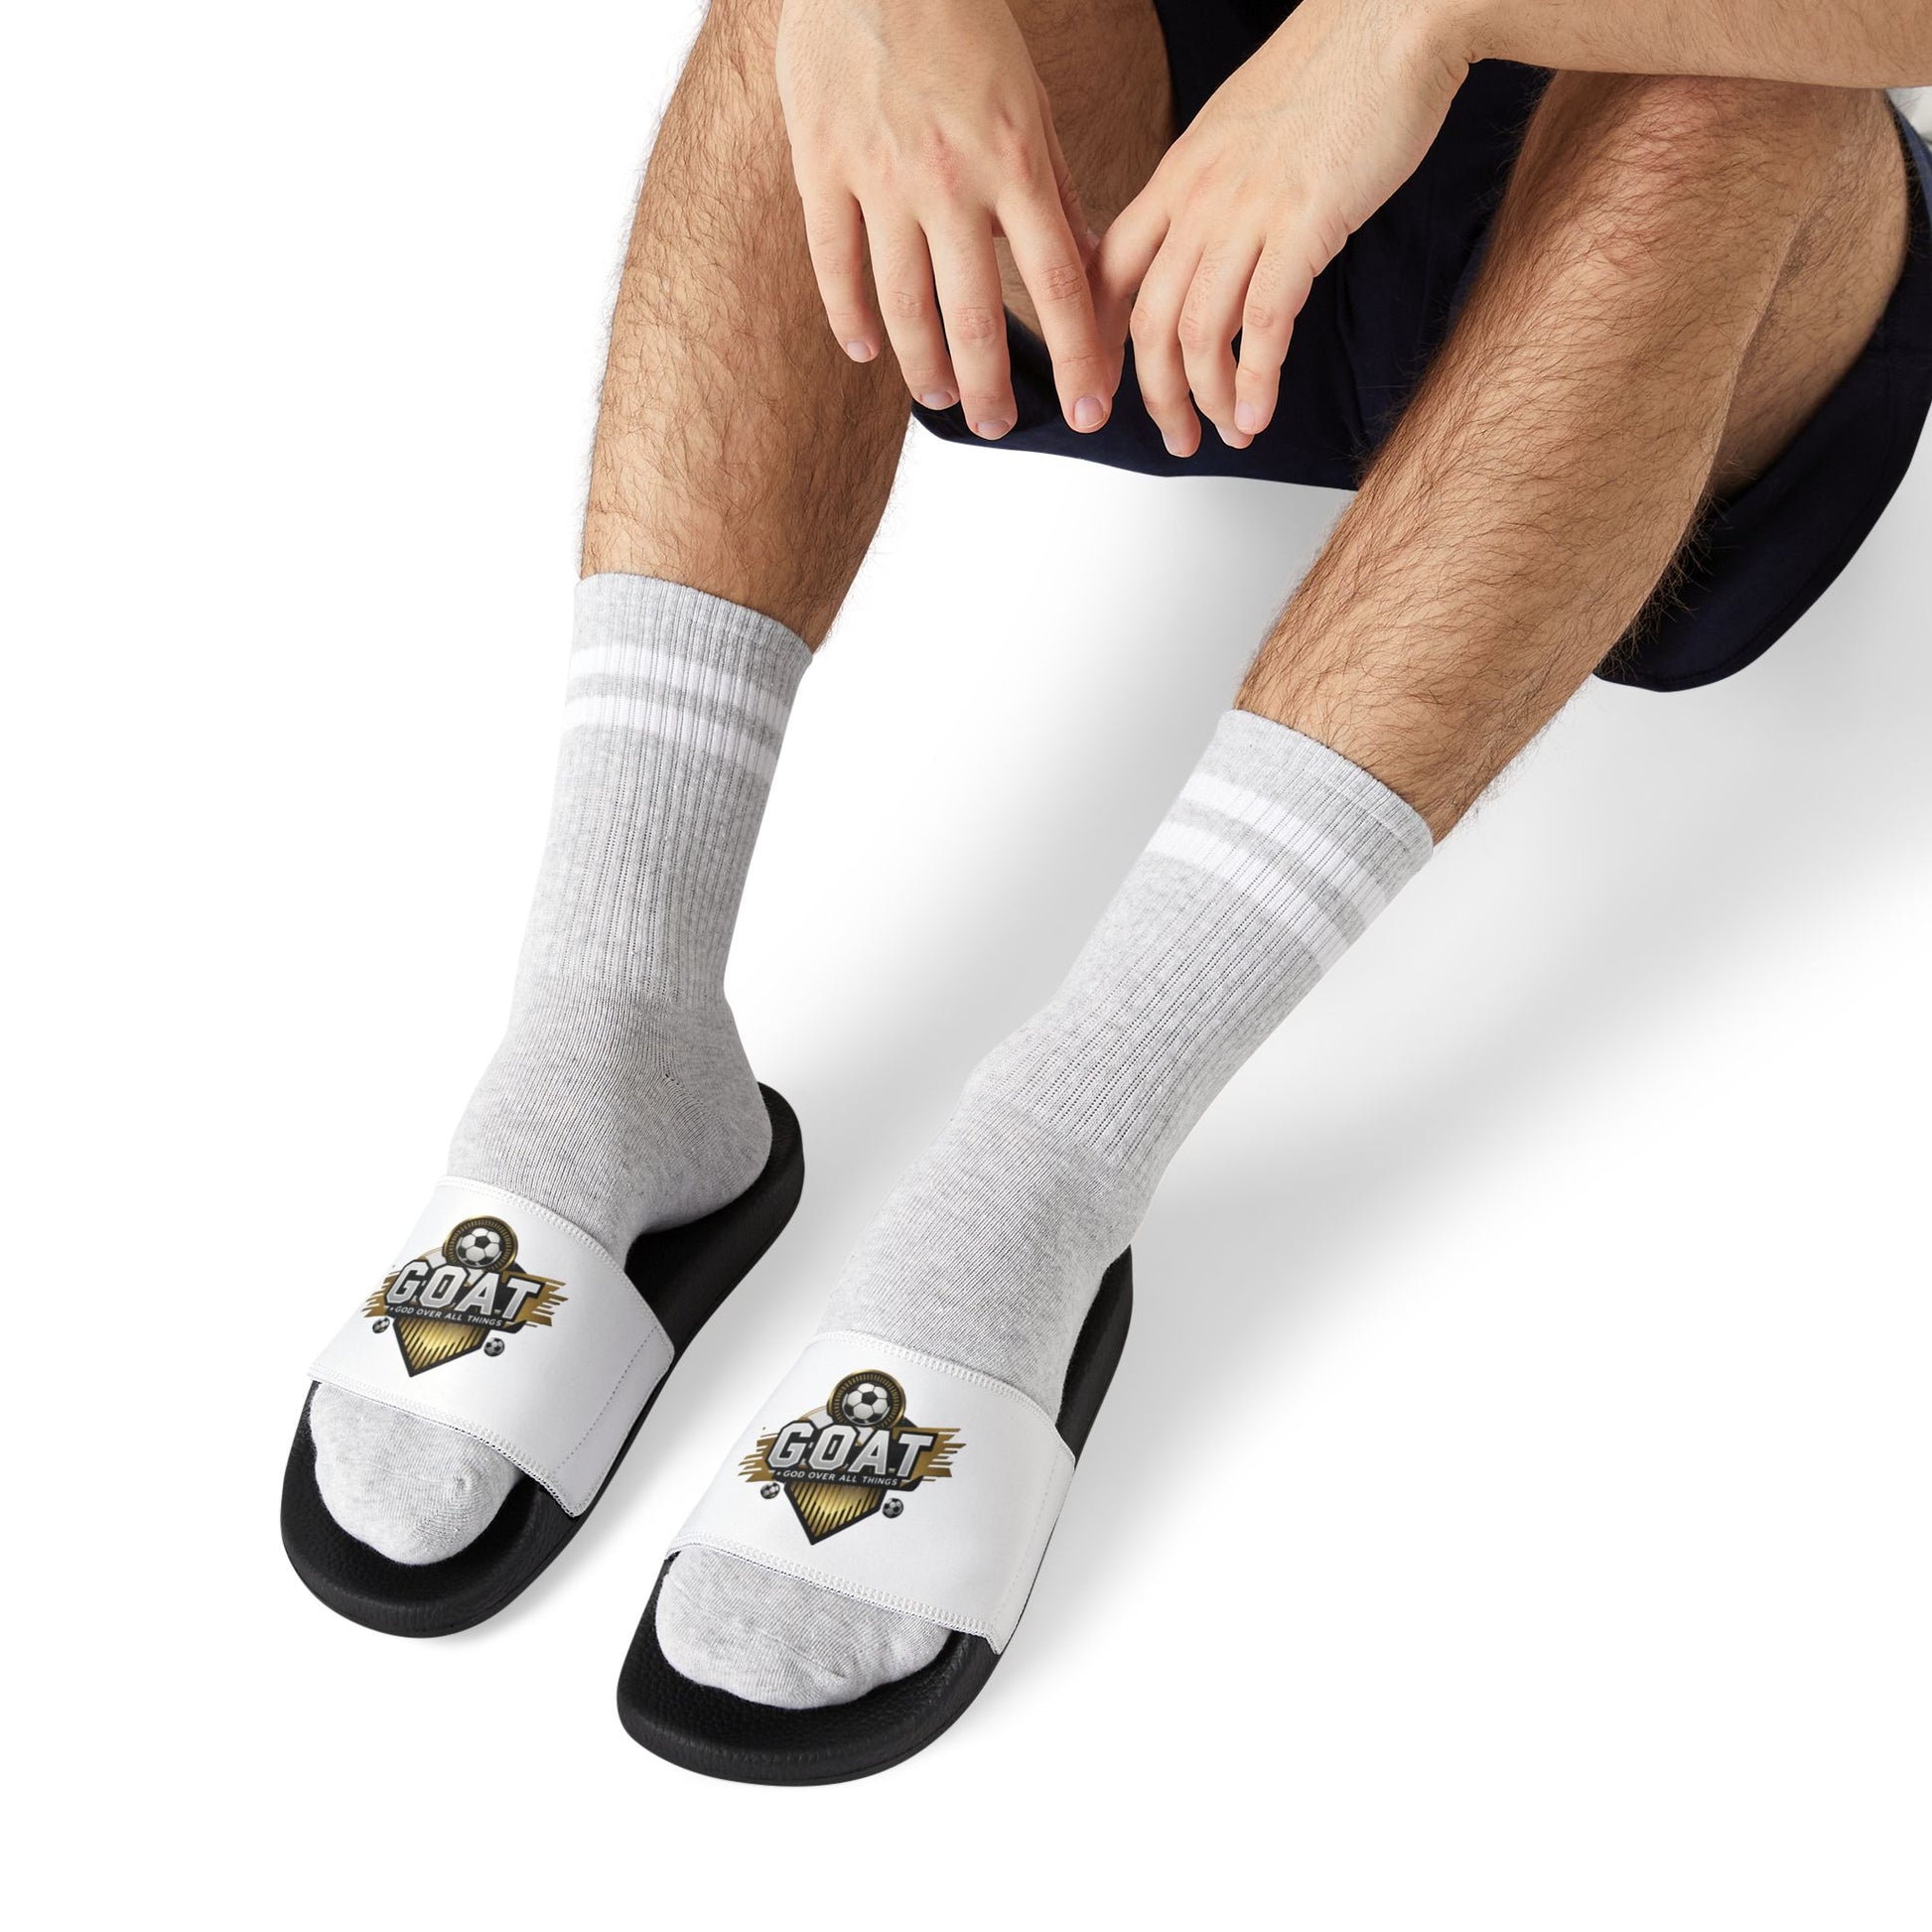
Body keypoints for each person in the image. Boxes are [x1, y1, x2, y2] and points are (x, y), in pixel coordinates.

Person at [290, 0, 1932, 1729]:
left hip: (1673, 239)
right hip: (1194, 209)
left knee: (1720, 107)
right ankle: (615, 1025)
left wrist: (1411, 25)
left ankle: (1044, 1162)